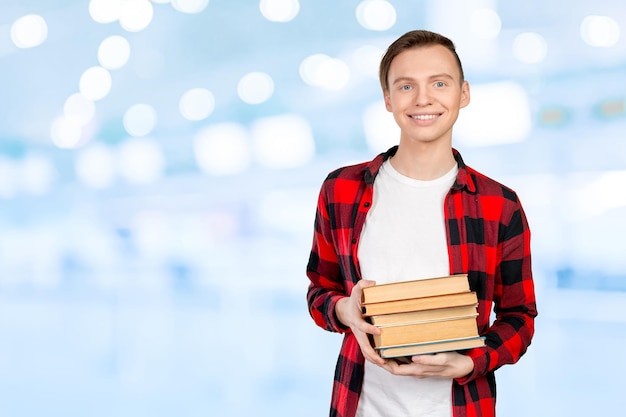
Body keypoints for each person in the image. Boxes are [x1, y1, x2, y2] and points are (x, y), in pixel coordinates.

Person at [305, 30, 537, 417]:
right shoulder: (340, 190)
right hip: (361, 405)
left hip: (461, 405)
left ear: (463, 93)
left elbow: (520, 317)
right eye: (406, 86)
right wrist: (344, 309)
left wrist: (471, 362)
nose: (423, 99)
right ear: (388, 99)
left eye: (439, 83)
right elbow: (319, 290)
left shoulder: (501, 205)